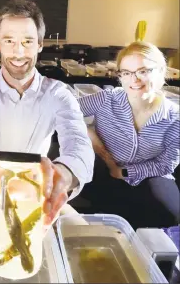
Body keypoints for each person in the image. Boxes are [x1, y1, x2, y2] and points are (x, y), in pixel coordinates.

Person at [0, 0, 94, 233]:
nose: (18, 52)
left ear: (40, 44)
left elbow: (79, 143)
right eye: (9, 41)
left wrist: (62, 175)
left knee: (84, 236)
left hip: (40, 193)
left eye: (27, 41)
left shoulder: (58, 93)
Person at [73, 41, 180, 229]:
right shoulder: (107, 99)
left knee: (169, 219)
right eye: (127, 73)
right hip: (103, 171)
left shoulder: (174, 117)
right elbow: (66, 111)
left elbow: (167, 164)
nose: (134, 80)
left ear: (162, 72)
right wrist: (88, 134)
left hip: (149, 177)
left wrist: (124, 172)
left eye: (143, 71)